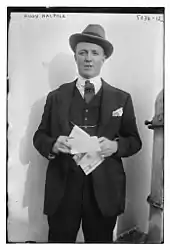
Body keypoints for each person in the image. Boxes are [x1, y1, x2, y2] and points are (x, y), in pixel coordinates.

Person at [33, 24, 142, 243]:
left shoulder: (122, 99)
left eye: (95, 53)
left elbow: (134, 141)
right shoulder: (56, 97)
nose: (88, 58)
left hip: (104, 194)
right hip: (64, 191)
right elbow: (40, 136)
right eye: (83, 53)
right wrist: (53, 144)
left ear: (104, 59)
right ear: (75, 57)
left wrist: (116, 146)